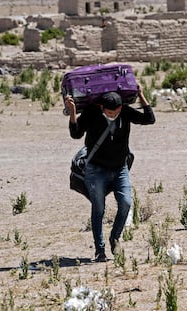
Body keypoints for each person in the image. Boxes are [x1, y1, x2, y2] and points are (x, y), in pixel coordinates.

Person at [65, 86, 155, 262]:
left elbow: (149, 119)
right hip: (95, 170)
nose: (113, 115)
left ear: (121, 108)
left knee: (126, 203)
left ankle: (114, 238)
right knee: (99, 209)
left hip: (120, 169)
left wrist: (142, 95)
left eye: (116, 112)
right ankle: (100, 250)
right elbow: (76, 134)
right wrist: (73, 112)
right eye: (109, 112)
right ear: (101, 107)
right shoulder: (92, 113)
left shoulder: (126, 112)